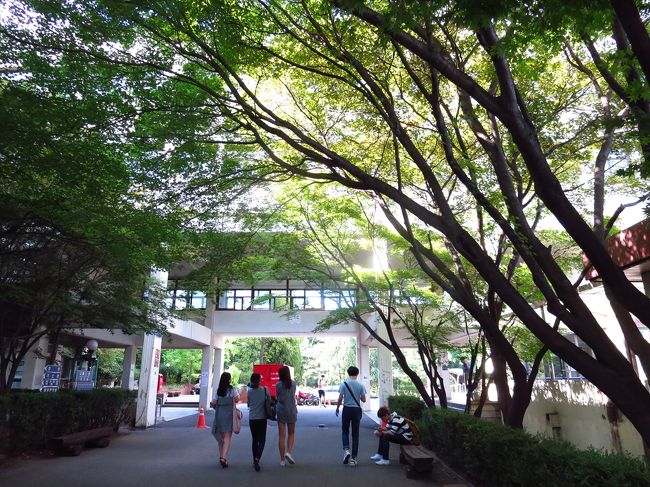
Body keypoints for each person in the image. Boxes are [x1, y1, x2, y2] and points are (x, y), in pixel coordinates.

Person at [335, 366, 367, 467]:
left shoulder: (344, 384)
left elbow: (340, 398)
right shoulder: (361, 385)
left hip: (346, 409)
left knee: (345, 431)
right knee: (355, 434)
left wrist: (337, 408)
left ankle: (346, 450)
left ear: (348, 373)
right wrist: (358, 395)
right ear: (357, 374)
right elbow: (364, 400)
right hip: (356, 410)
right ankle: (353, 459)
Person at [210, 372, 240, 468]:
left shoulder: (218, 390)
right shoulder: (232, 390)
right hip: (229, 414)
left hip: (219, 414)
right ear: (229, 380)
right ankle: (223, 458)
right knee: (227, 437)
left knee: (221, 438)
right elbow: (237, 399)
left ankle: (221, 456)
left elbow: (214, 402)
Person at [275, 365, 298, 467]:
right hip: (291, 410)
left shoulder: (278, 385)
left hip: (281, 410)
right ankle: (288, 452)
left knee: (281, 435)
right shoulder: (294, 384)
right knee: (291, 433)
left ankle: (282, 460)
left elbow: (278, 397)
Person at [247, 372, 268, 472]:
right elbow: (269, 401)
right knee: (262, 440)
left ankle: (254, 460)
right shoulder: (265, 390)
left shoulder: (249, 391)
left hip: (252, 419)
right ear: (260, 380)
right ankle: (257, 459)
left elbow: (248, 404)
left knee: (254, 440)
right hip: (262, 418)